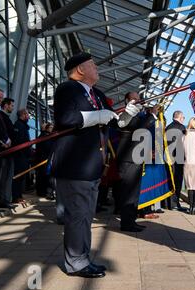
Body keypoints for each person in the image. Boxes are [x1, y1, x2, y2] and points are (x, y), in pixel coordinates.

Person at [50, 52, 120, 278]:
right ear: (80, 70)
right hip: (75, 166)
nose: (97, 68)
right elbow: (65, 119)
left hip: (91, 167)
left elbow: (109, 121)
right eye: (92, 65)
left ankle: (82, 258)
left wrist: (125, 116)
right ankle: (76, 263)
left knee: (85, 217)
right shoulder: (67, 89)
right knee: (78, 217)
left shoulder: (96, 93)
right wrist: (96, 116)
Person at [115, 92, 159, 232]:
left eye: (138, 99)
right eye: (134, 99)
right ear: (127, 100)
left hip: (136, 157)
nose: (138, 101)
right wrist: (151, 115)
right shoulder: (125, 114)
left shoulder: (137, 114)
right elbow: (139, 127)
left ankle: (131, 220)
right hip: (128, 158)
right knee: (128, 191)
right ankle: (126, 223)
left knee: (134, 192)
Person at [0, 97, 18, 210]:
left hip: (9, 152)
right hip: (5, 152)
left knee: (7, 177)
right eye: (12, 105)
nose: (13, 107)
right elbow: (1, 133)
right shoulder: (1, 117)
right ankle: (2, 201)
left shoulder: (6, 118)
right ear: (6, 105)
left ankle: (5, 200)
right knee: (4, 177)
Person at [165, 110, 187, 211]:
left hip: (168, 157)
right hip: (177, 158)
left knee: (169, 180)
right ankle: (174, 204)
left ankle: (166, 203)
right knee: (177, 181)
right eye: (183, 118)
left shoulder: (167, 127)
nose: (183, 119)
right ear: (179, 117)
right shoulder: (182, 128)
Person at [11, 109, 31, 204]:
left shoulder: (23, 126)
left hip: (24, 156)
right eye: (27, 114)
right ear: (23, 115)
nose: (29, 116)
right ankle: (16, 197)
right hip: (20, 156)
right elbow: (19, 141)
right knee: (18, 177)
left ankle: (19, 196)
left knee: (21, 177)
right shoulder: (18, 125)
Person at [35, 122, 54, 198]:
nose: (52, 129)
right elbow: (48, 148)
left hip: (43, 159)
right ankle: (44, 192)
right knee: (45, 177)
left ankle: (43, 191)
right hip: (44, 160)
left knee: (43, 176)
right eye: (50, 127)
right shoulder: (45, 137)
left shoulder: (43, 136)